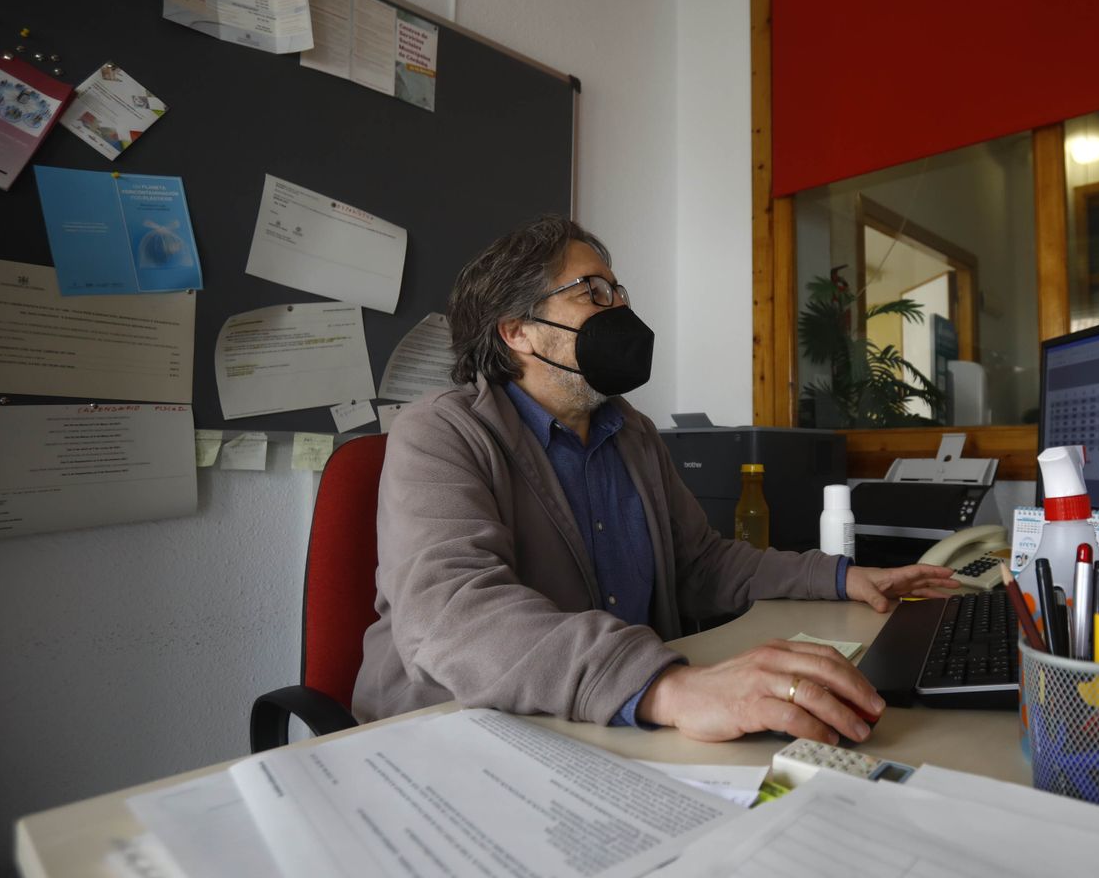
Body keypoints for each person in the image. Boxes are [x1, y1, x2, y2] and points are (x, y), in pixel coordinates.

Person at [352, 215, 957, 744]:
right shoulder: (441, 430)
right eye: (593, 293)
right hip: (457, 730)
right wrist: (666, 689)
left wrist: (842, 576)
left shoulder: (632, 432)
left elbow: (703, 564)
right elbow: (453, 614)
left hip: (605, 722)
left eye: (618, 291)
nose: (620, 310)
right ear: (518, 332)